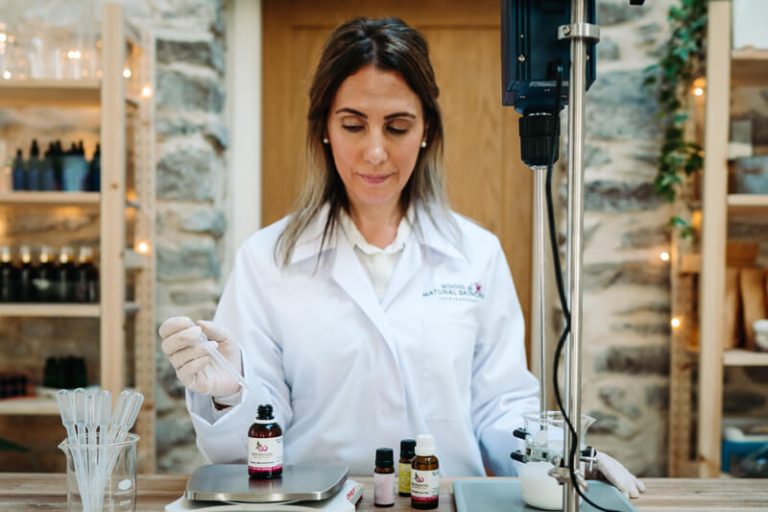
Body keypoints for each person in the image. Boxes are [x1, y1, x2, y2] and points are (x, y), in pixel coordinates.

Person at [159, 16, 645, 497]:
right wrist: (228, 395)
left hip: (443, 501)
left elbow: (500, 405)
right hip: (320, 507)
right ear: (324, 129)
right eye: (353, 125)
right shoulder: (266, 259)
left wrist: (565, 454)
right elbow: (249, 443)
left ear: (426, 130)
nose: (374, 152)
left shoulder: (475, 255)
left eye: (397, 127)